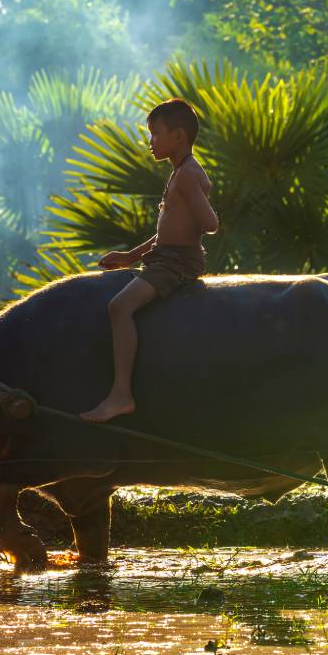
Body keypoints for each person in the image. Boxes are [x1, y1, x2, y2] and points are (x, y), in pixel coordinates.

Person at [81, 98, 219, 423]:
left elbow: (209, 223)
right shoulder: (179, 172)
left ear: (179, 136)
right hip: (166, 257)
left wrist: (201, 215)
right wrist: (131, 256)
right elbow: (169, 233)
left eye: (156, 134)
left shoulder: (187, 174)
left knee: (119, 307)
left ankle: (121, 394)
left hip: (176, 264)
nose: (150, 142)